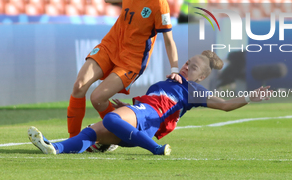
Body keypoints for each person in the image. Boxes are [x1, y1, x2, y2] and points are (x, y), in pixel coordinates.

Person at [29, 51, 272, 156]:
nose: (187, 66)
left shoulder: (192, 90)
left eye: (193, 67)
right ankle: (55, 149)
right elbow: (150, 102)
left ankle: (157, 150)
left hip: (149, 118)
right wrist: (127, 104)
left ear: (201, 77)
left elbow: (226, 105)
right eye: (187, 63)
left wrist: (251, 97)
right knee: (92, 132)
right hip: (142, 121)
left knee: (111, 119)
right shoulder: (169, 81)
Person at [66, 0, 181, 139]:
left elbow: (168, 40)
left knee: (98, 99)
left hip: (131, 60)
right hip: (111, 45)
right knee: (79, 86)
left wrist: (175, 69)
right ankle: (72, 141)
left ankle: (118, 134)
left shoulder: (159, 4)